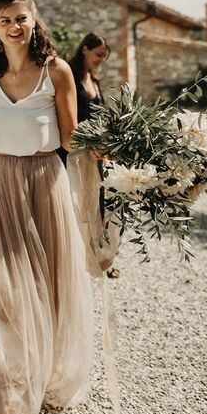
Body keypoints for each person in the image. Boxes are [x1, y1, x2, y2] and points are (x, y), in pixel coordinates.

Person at [0, 0, 94, 414]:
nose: (16, 27)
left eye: (22, 18)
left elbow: (72, 137)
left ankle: (34, 375)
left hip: (42, 182)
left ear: (34, 20)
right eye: (6, 20)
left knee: (46, 283)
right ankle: (11, 391)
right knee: (1, 287)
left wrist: (120, 151)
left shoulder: (56, 71)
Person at [63, 33, 120, 279]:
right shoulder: (70, 78)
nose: (101, 60)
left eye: (104, 57)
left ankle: (94, 255)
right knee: (73, 201)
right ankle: (70, 256)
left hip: (94, 153)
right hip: (72, 150)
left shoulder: (93, 80)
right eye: (98, 54)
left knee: (95, 202)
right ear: (84, 49)